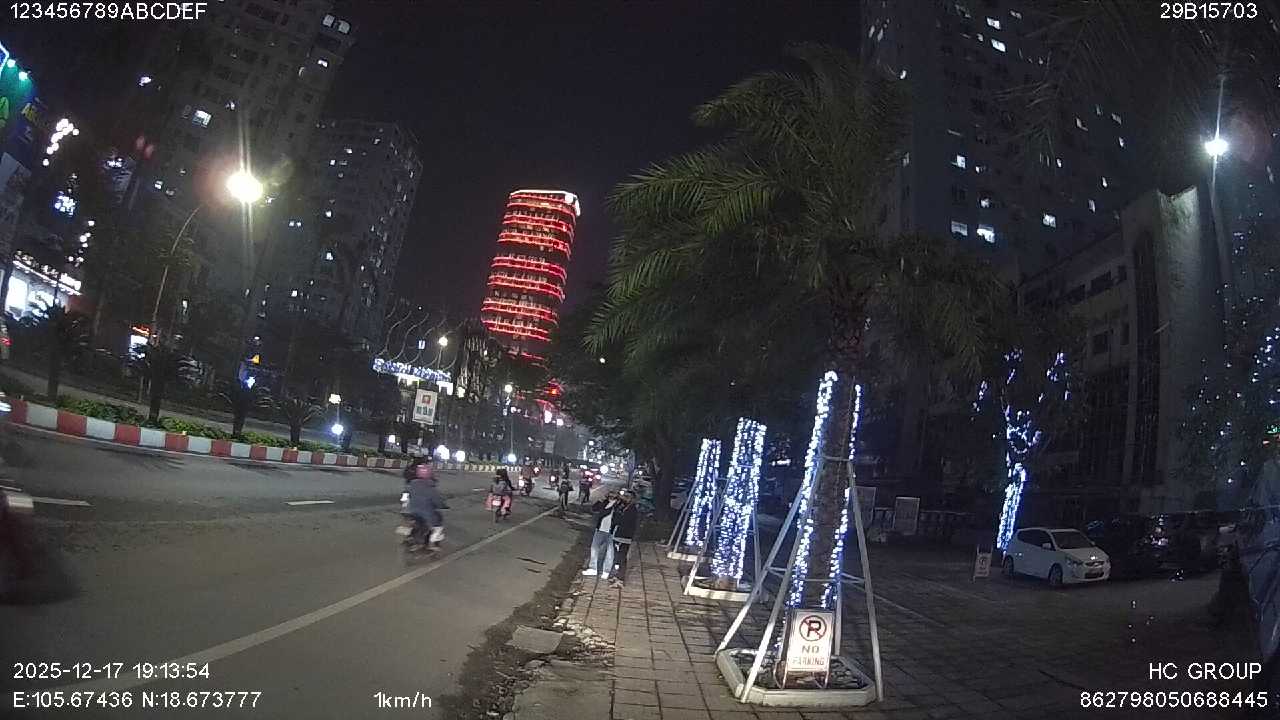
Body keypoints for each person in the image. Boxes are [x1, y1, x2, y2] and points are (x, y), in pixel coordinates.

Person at [406, 463, 448, 551]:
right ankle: (432, 543)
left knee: (418, 524)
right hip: (426, 513)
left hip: (411, 511)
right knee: (438, 525)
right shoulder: (431, 487)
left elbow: (409, 496)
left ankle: (414, 538)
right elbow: (438, 501)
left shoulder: (412, 484)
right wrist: (443, 506)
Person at [582, 492, 620, 579]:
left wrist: (615, 505)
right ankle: (593, 568)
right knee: (594, 549)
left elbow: (619, 518)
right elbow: (594, 509)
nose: (611, 498)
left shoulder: (618, 506)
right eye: (610, 496)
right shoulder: (605, 503)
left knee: (610, 552)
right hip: (600, 530)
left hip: (611, 532)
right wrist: (600, 500)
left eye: (614, 496)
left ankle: (606, 571)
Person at [608, 489, 640, 587]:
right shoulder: (622, 507)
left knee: (621, 558)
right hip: (618, 535)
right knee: (616, 557)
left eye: (628, 497)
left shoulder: (632, 510)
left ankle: (620, 578)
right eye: (625, 496)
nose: (625, 498)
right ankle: (614, 575)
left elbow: (624, 521)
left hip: (624, 536)